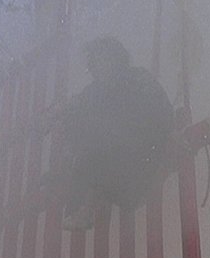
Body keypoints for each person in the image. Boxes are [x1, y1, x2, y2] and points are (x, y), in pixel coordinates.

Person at [59, 37, 174, 230]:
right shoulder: (93, 93)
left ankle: (83, 210)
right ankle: (80, 209)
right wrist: (62, 117)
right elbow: (74, 112)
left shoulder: (139, 80)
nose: (98, 67)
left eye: (104, 59)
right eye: (95, 62)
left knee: (94, 147)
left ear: (117, 59)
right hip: (118, 175)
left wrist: (126, 134)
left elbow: (161, 116)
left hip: (142, 166)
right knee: (84, 149)